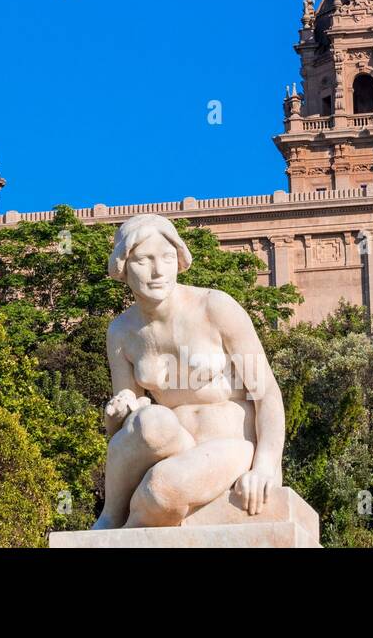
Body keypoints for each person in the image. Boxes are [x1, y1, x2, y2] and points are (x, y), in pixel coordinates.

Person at [93, 215, 285, 529]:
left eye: (167, 258)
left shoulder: (214, 307)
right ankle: (111, 516)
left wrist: (265, 466)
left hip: (228, 443)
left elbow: (266, 394)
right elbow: (125, 430)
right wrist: (117, 413)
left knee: (159, 489)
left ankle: (126, 529)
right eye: (144, 260)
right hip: (168, 443)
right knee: (148, 421)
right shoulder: (121, 331)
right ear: (123, 266)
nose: (158, 272)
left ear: (179, 260)